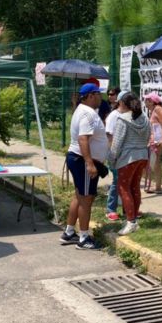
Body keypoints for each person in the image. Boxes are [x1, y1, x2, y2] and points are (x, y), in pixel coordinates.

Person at [62, 83, 109, 250]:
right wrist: (89, 163)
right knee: (86, 199)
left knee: (79, 196)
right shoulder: (88, 114)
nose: (100, 97)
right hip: (82, 161)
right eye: (98, 94)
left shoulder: (82, 110)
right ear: (90, 96)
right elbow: (83, 139)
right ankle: (83, 238)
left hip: (78, 159)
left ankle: (69, 232)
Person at [107, 92, 150, 236]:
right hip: (142, 156)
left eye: (119, 103)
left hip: (127, 158)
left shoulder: (123, 119)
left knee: (123, 188)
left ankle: (131, 222)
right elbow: (148, 137)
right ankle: (133, 217)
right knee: (135, 187)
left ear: (123, 104)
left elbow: (117, 144)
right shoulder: (145, 118)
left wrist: (111, 160)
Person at [104, 89, 127, 222]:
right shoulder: (114, 115)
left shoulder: (127, 115)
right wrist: (115, 153)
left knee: (126, 181)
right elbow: (109, 135)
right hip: (115, 154)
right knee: (117, 181)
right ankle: (111, 209)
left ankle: (126, 208)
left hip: (126, 154)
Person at [144, 93, 162, 194]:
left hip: (158, 140)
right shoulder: (153, 111)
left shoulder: (158, 109)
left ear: (152, 101)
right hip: (154, 140)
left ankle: (158, 186)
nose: (145, 102)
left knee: (156, 162)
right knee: (153, 162)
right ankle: (155, 184)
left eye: (146, 100)